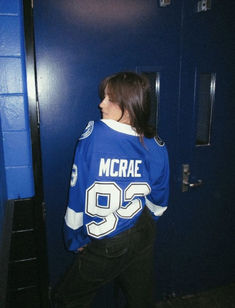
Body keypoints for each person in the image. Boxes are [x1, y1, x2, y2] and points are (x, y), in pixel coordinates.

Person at [52, 72, 169, 308]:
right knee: (140, 298)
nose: (101, 104)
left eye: (109, 98)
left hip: (107, 239)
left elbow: (78, 194)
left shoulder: (93, 135)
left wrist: (74, 238)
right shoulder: (154, 141)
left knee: (66, 298)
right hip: (142, 229)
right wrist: (147, 218)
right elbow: (160, 197)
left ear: (129, 103)